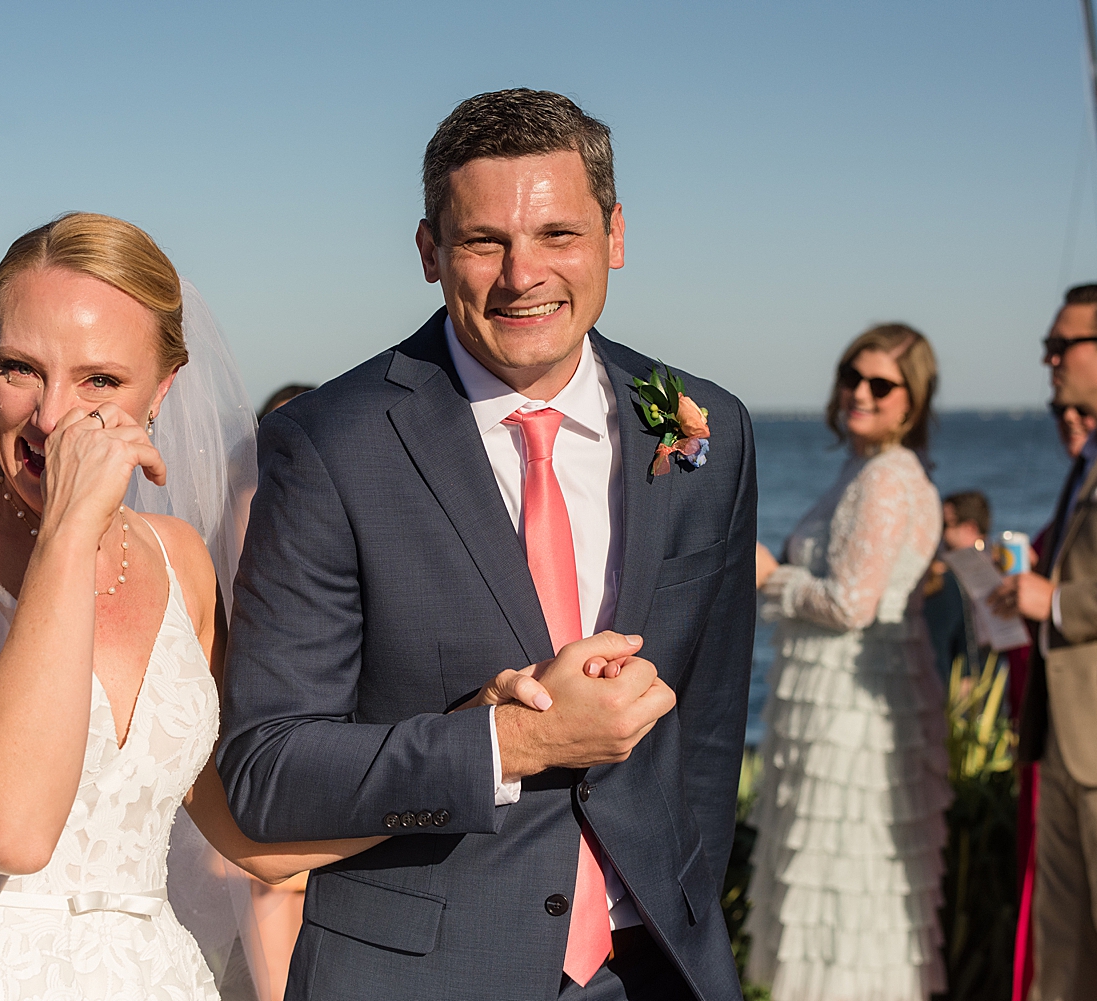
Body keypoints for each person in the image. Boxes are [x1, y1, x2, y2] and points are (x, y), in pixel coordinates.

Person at [219, 88, 758, 1001]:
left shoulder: (710, 427)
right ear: (430, 252)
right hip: (421, 974)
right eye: (483, 242)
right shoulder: (329, 443)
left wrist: (691, 913)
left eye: (558, 234)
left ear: (615, 236)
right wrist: (507, 741)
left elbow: (705, 731)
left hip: (657, 966)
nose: (523, 275)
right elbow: (268, 772)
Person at [0, 213, 386, 1000]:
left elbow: (252, 837)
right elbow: (7, 826)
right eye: (18, 368)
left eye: (99, 380)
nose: (49, 417)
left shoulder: (180, 560)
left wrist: (491, 753)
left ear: (162, 391)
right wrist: (70, 529)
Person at [750, 324, 950, 1000]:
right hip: (845, 702)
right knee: (847, 888)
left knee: (847, 889)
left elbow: (854, 604)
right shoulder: (865, 467)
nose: (859, 392)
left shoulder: (888, 476)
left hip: (854, 717)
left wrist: (771, 575)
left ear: (913, 399)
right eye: (851, 376)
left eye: (881, 384)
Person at [992, 282, 1097, 1001]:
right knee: (1060, 952)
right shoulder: (1093, 455)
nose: (1047, 361)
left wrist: (1056, 599)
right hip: (1063, 740)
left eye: (1059, 345)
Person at [923, 490, 991, 683]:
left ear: (970, 528)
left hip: (970, 675)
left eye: (945, 524)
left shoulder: (988, 572)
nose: (939, 532)